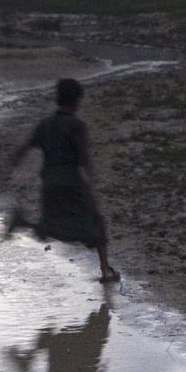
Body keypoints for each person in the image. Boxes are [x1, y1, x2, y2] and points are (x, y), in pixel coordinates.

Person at [13, 78, 121, 283]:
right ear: (77, 101)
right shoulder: (77, 126)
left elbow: (25, 147)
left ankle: (22, 222)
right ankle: (106, 271)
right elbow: (84, 158)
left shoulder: (45, 124)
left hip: (49, 183)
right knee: (96, 224)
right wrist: (92, 186)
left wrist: (14, 161)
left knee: (51, 225)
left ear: (58, 99)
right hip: (72, 182)